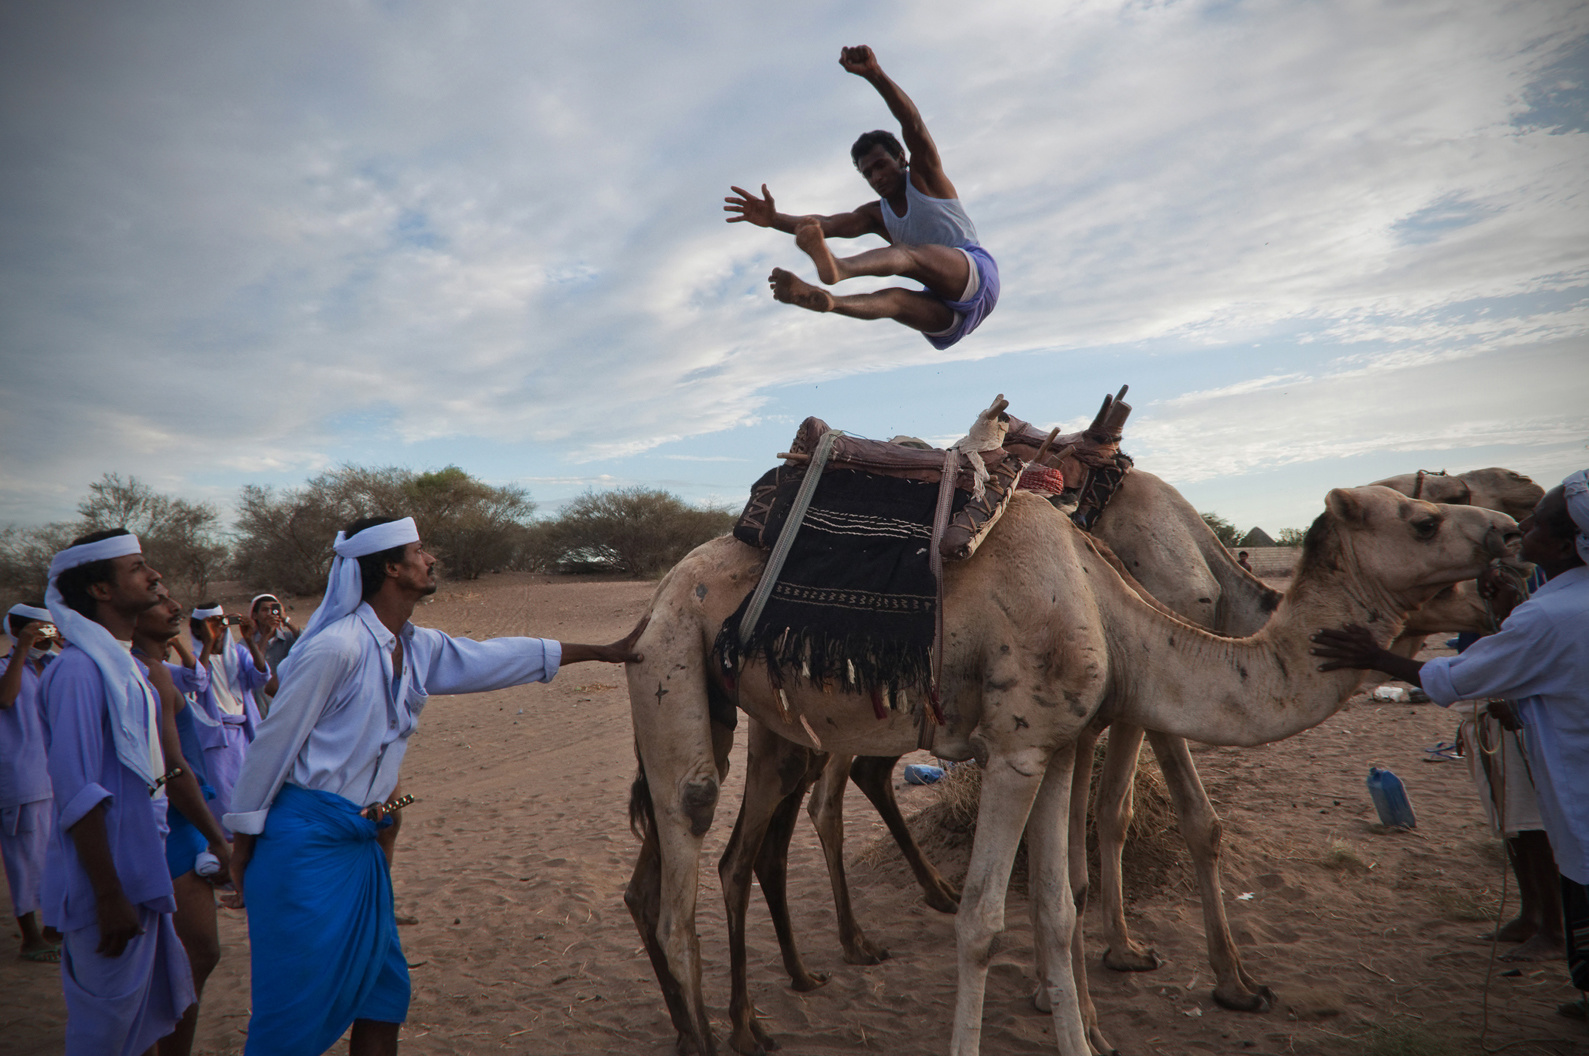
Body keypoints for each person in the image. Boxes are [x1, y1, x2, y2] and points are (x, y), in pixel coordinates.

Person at [223, 515, 645, 1055]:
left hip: (359, 848)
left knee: (383, 995)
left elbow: (495, 656)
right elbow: (270, 747)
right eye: (419, 550)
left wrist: (602, 651)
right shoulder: (337, 649)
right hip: (304, 850)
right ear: (391, 568)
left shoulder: (415, 647)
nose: (431, 559)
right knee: (291, 1019)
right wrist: (243, 843)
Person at [1311, 470, 1589, 1020]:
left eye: (1539, 523)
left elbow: (1460, 678)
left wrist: (1375, 655)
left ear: (1563, 544)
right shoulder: (1552, 607)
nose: (1523, 526)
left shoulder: (1554, 616)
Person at [725, 45, 999, 349]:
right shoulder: (875, 214)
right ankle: (830, 302)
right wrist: (774, 219)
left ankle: (840, 268)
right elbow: (824, 224)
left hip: (975, 276)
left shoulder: (925, 179)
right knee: (894, 302)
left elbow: (914, 124)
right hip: (945, 316)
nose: (876, 177)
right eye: (868, 173)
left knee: (907, 255)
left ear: (901, 159)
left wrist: (875, 74)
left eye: (881, 165)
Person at [39, 528, 196, 1055]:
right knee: (105, 1036)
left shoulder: (127, 667)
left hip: (139, 862)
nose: (152, 576)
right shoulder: (79, 672)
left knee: (140, 1025)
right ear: (101, 590)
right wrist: (109, 895)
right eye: (136, 568)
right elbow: (76, 791)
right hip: (106, 881)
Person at [131, 587, 234, 1056]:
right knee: (195, 954)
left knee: (185, 957)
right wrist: (219, 842)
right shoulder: (147, 675)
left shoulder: (158, 671)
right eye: (159, 601)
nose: (173, 608)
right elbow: (174, 768)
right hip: (171, 827)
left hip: (177, 825)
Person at [1, 602, 60, 962]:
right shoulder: (7, 668)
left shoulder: (54, 667)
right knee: (24, 859)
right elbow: (6, 698)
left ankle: (54, 927)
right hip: (21, 778)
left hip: (55, 776)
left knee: (57, 858)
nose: (45, 636)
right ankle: (30, 937)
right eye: (40, 629)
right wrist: (21, 649)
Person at [187, 602, 269, 830]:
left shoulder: (239, 654)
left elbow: (260, 678)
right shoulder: (196, 659)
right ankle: (224, 840)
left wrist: (251, 640)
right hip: (216, 738)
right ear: (197, 630)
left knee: (249, 790)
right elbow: (197, 682)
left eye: (221, 624)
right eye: (211, 626)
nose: (219, 631)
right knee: (222, 793)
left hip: (244, 734)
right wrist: (208, 643)